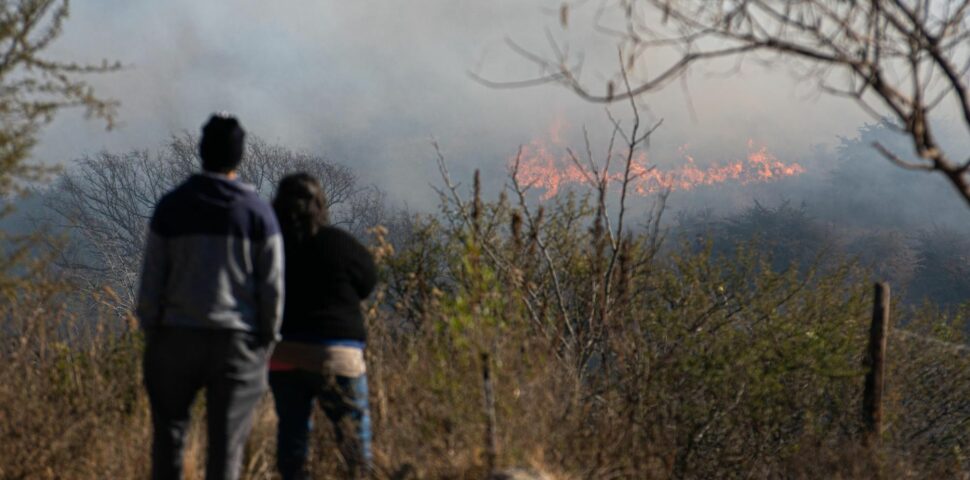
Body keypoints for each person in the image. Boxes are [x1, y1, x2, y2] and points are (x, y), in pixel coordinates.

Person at [136, 114, 284, 480]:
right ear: (239, 157)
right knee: (226, 451)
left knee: (169, 442)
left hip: (175, 338)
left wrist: (152, 332)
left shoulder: (171, 207)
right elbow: (272, 289)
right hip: (236, 344)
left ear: (201, 153)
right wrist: (265, 339)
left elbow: (152, 281)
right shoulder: (258, 214)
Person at [269, 172, 377, 480]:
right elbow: (367, 281)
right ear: (320, 205)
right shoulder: (339, 244)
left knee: (292, 436)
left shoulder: (271, 249)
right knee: (354, 437)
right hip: (338, 354)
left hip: (283, 354)